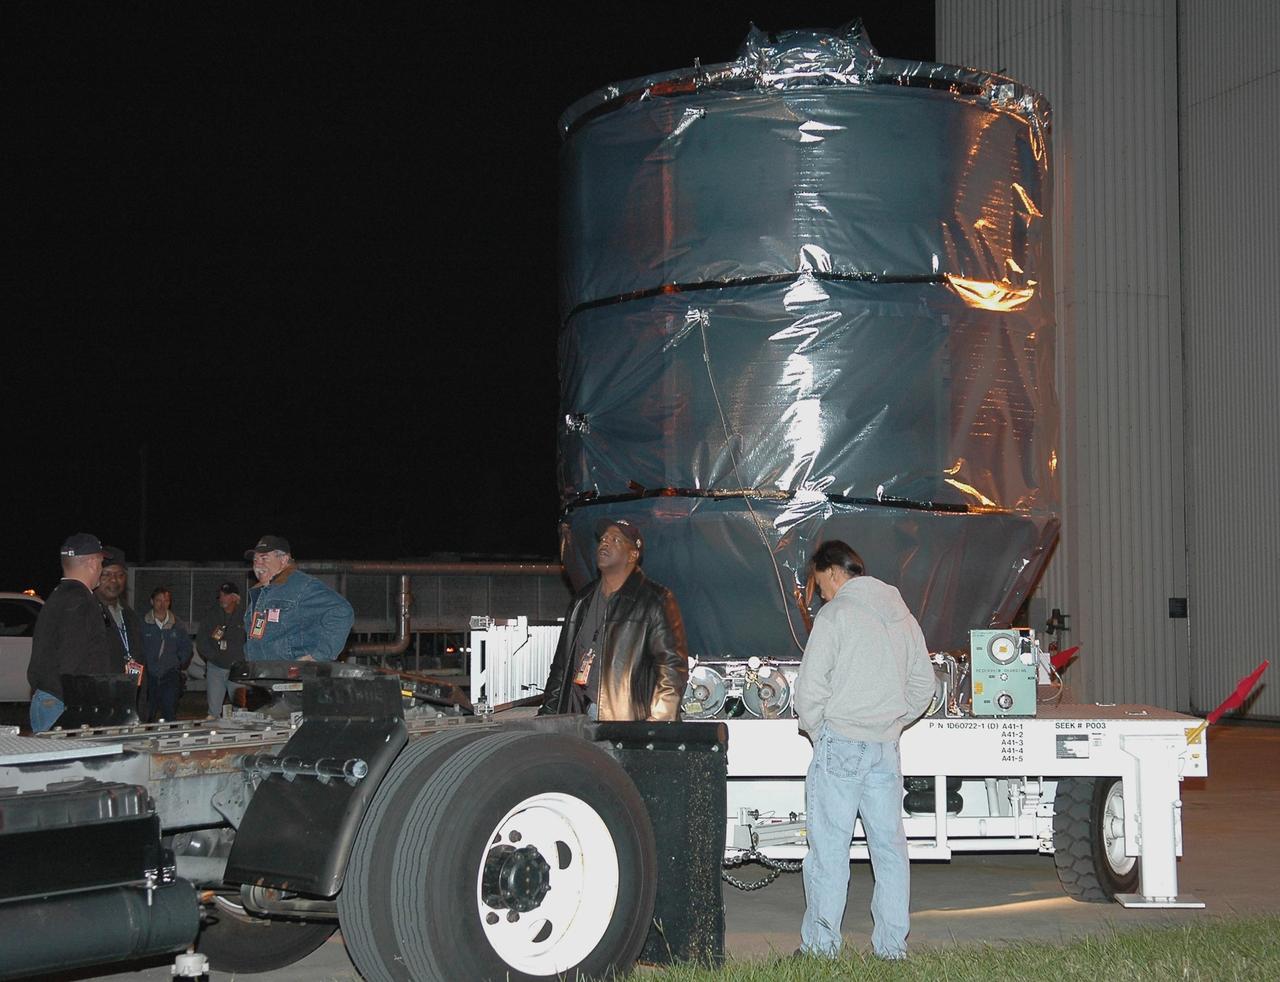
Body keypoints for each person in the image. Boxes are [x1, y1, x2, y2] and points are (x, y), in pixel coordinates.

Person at [793, 540, 935, 960]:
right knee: (890, 850)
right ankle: (891, 949)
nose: (821, 595)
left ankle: (821, 949)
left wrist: (820, 731)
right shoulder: (902, 615)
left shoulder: (836, 615)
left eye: (820, 586)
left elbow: (809, 689)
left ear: (833, 572)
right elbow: (924, 686)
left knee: (829, 850)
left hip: (842, 743)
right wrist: (893, 720)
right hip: (885, 747)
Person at [538, 518, 688, 721]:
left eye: (616, 540)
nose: (605, 543)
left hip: (628, 721)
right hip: (579, 718)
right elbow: (561, 666)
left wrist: (659, 721)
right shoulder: (582, 600)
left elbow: (671, 667)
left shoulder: (656, 599)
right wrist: (548, 715)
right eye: (603, 539)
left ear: (633, 554)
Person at [27, 533, 116, 732]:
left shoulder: (58, 596)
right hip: (63, 705)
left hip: (50, 700)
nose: (101, 569)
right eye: (101, 563)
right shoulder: (81, 601)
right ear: (93, 563)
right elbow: (72, 663)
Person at [243, 535, 354, 661]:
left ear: (284, 559)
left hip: (291, 677)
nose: (258, 565)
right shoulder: (260, 592)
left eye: (264, 558)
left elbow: (341, 610)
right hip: (262, 674)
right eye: (255, 560)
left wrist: (318, 656)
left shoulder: (301, 586)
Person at [95, 546, 148, 718]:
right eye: (107, 575)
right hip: (98, 703)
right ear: (96, 577)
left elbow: (139, 660)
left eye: (119, 575)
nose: (114, 581)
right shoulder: (87, 612)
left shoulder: (130, 615)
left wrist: (141, 709)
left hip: (128, 701)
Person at [141, 585, 192, 721]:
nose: (162, 604)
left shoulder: (178, 625)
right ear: (152, 601)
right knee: (147, 712)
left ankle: (170, 739)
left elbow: (187, 647)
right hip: (149, 675)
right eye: (159, 600)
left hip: (170, 675)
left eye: (166, 601)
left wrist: (177, 663)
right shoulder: (143, 624)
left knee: (169, 711)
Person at [197, 581, 247, 717]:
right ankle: (213, 735)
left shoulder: (246, 615)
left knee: (240, 710)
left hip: (238, 672)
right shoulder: (211, 615)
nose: (222, 598)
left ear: (235, 598)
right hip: (216, 669)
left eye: (226, 595)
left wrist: (243, 660)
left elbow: (253, 640)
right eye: (221, 595)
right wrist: (213, 657)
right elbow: (201, 640)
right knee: (213, 711)